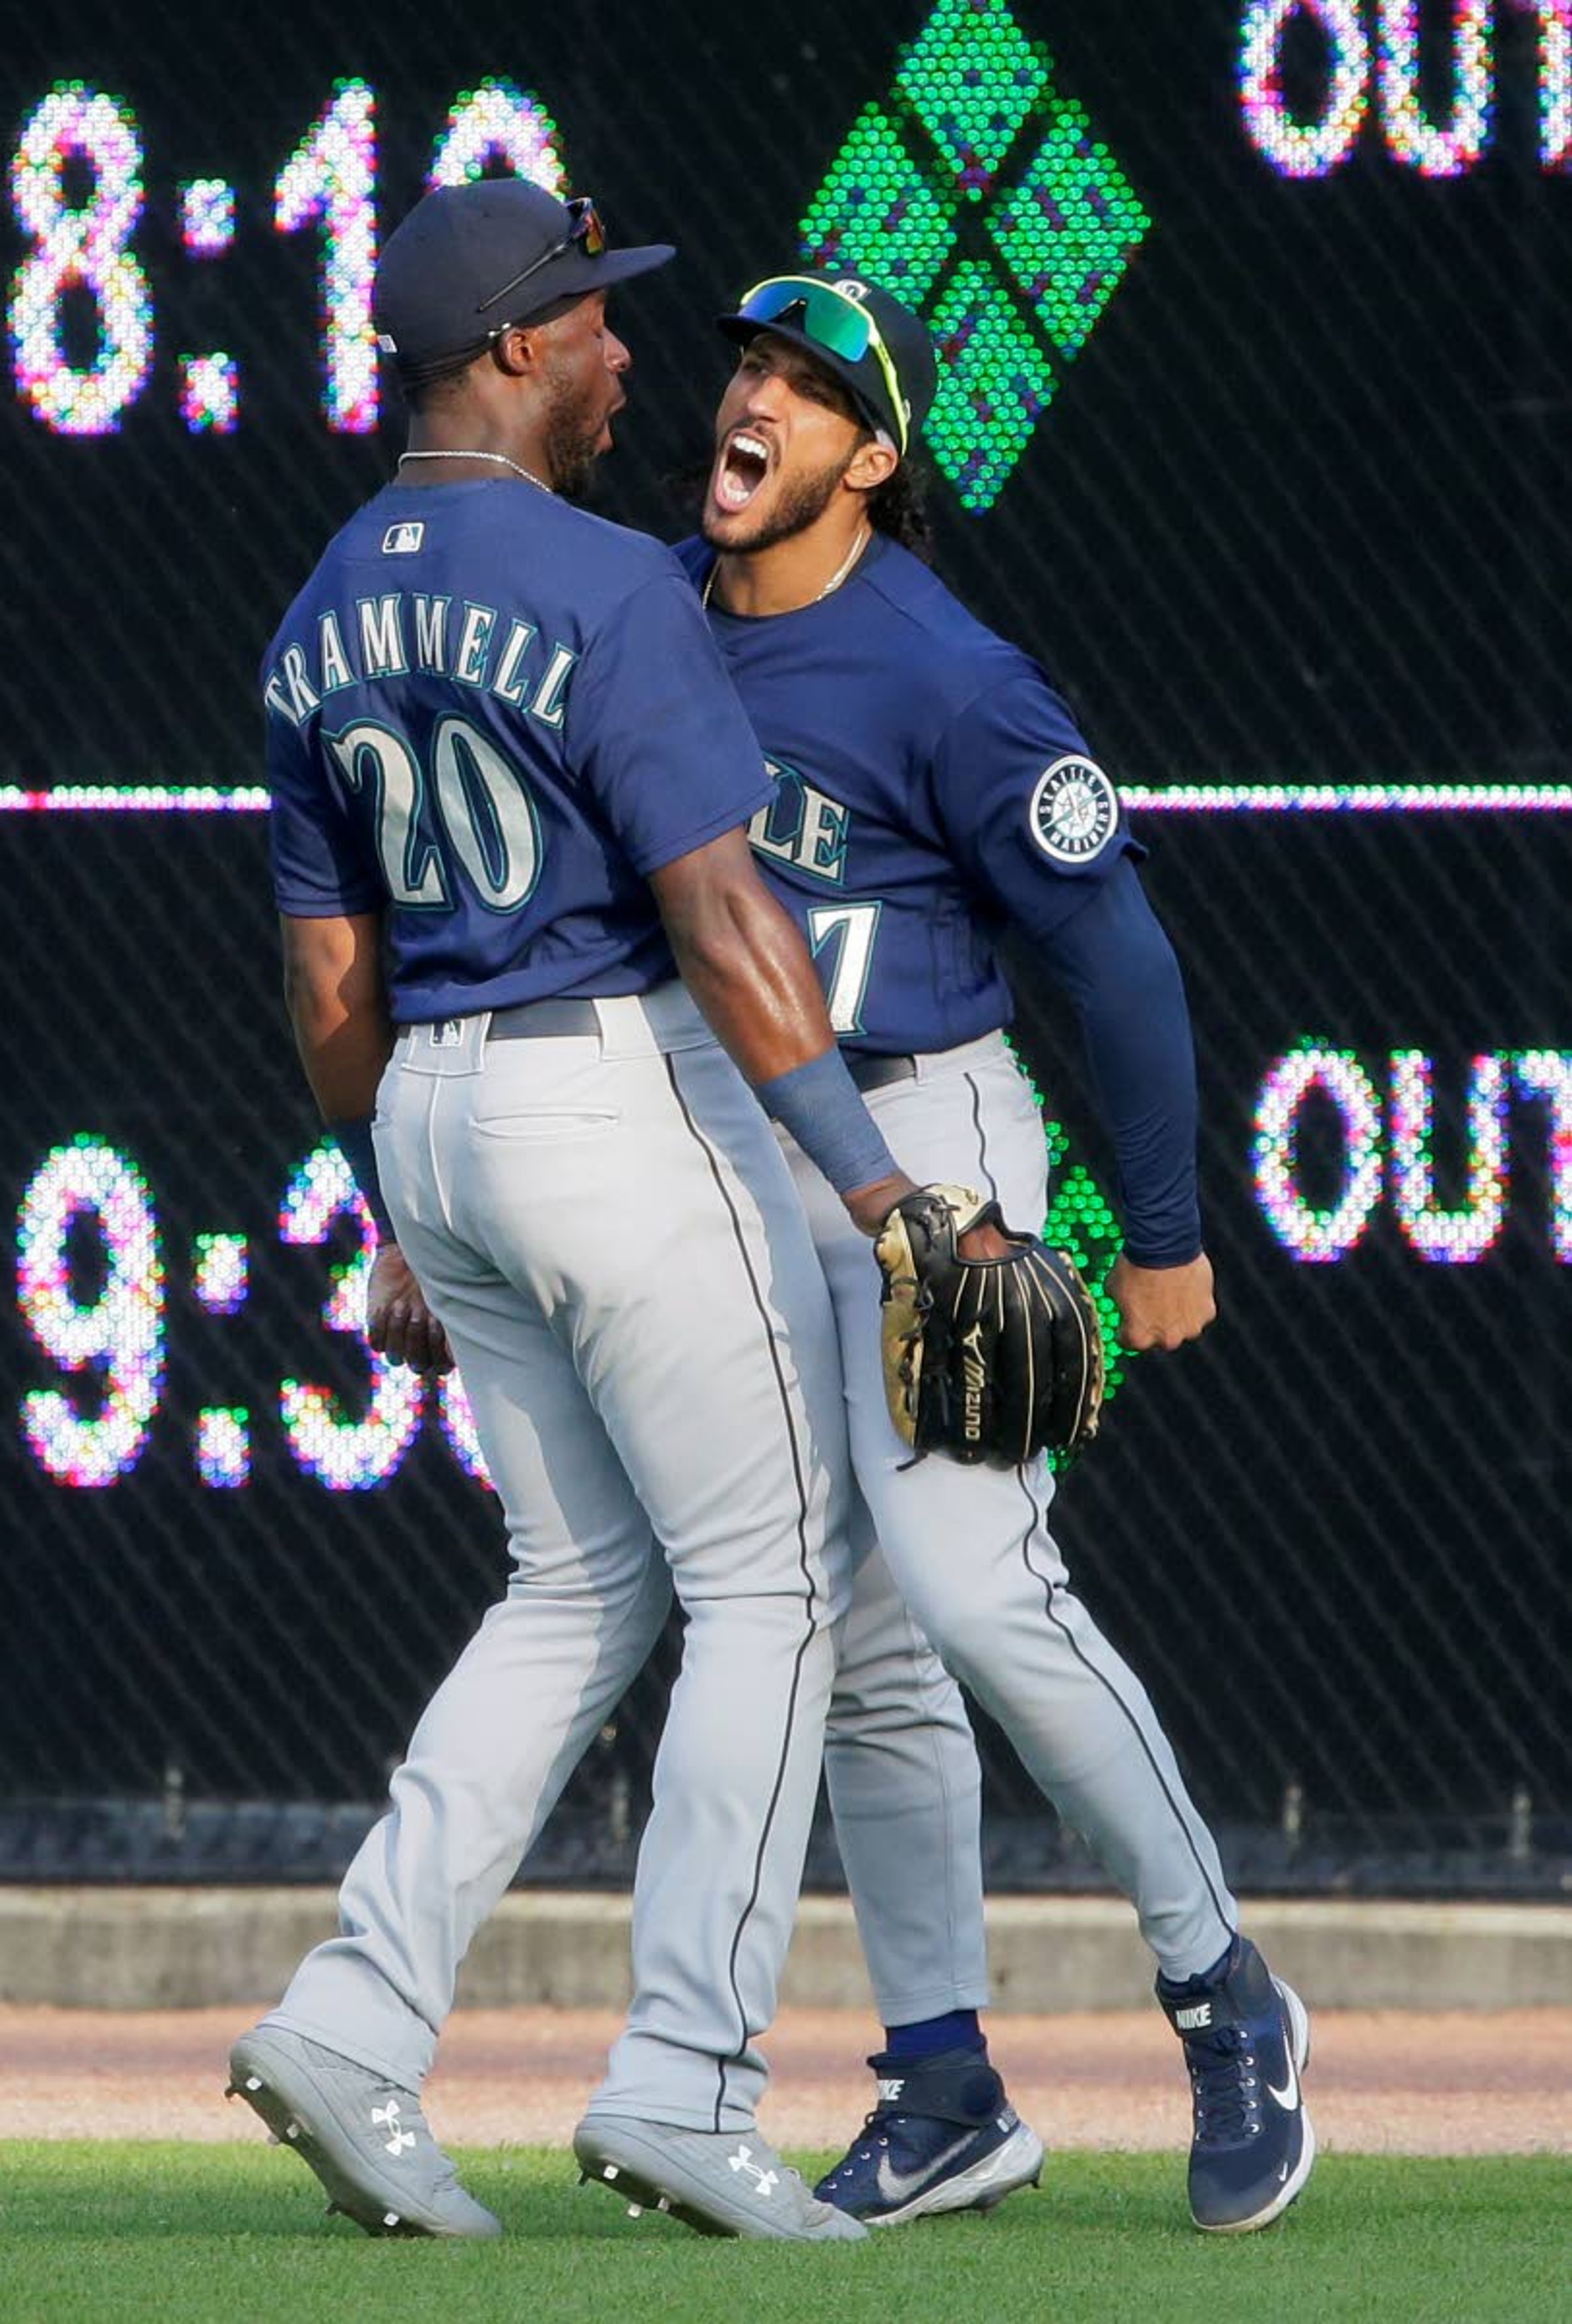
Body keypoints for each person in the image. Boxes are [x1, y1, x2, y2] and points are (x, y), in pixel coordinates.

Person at [227, 182, 957, 2247]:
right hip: (605, 1092)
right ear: (511, 350)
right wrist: (878, 1181)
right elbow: (723, 915)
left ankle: (357, 2022)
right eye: (599, 325)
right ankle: (693, 2085)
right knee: (781, 1583)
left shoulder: (309, 617)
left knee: (576, 1589)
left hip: (440, 1119)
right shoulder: (601, 584)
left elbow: (332, 996)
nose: (635, 354)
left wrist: (398, 1219)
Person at [674, 270, 1315, 2237]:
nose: (756, 398)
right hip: (735, 1141)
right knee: (855, 1637)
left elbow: (1117, 956)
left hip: (931, 1130)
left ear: (872, 459)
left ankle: (1225, 1986)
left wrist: (1167, 1236)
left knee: (972, 1582)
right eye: (750, 365)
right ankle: (945, 2081)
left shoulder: (947, 673)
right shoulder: (645, 624)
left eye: (808, 385)